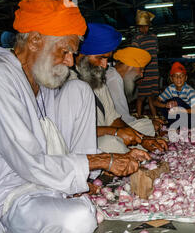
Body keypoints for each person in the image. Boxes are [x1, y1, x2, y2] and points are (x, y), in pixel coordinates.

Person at [0, 0, 150, 233]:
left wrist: (82, 176)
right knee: (79, 219)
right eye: (65, 51)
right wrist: (104, 159)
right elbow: (31, 164)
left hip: (49, 181)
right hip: (11, 194)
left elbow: (55, 140)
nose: (70, 62)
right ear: (35, 40)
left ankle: (76, 187)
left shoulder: (41, 76)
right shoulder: (1, 77)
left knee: (79, 89)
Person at [71, 23, 167, 154]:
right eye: (100, 58)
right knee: (112, 144)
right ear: (83, 53)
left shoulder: (96, 78)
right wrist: (118, 132)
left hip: (108, 133)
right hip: (84, 143)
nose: (104, 65)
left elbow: (113, 118)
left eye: (107, 59)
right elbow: (75, 132)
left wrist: (142, 139)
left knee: (143, 128)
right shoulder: (69, 81)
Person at [108, 46, 164, 136]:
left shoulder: (112, 74)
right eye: (141, 69)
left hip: (111, 124)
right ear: (130, 66)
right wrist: (149, 123)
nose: (141, 75)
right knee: (150, 127)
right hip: (109, 128)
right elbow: (123, 118)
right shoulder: (113, 80)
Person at [154, 62, 195, 128]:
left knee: (176, 100)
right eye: (175, 76)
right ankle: (175, 123)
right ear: (171, 79)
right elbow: (155, 102)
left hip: (190, 119)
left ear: (186, 78)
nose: (179, 78)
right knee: (164, 103)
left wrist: (180, 110)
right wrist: (165, 105)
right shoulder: (170, 88)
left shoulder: (190, 90)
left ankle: (178, 124)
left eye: (182, 75)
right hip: (176, 117)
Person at [132, 10, 159, 118]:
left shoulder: (154, 37)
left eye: (146, 26)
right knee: (141, 97)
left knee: (152, 96)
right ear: (138, 27)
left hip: (154, 71)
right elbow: (134, 57)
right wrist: (138, 75)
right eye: (141, 27)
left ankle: (155, 116)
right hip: (143, 72)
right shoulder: (136, 38)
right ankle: (138, 116)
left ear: (149, 25)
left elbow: (156, 52)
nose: (144, 29)